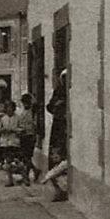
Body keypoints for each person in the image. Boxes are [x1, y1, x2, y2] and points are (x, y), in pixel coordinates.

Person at [45, 70, 70, 202]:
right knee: (55, 160)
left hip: (67, 128)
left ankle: (65, 190)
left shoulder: (72, 91)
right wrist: (57, 106)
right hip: (58, 128)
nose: (65, 81)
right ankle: (58, 191)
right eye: (63, 78)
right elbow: (49, 106)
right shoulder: (58, 92)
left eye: (67, 78)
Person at [0, 100, 23, 187]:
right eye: (7, 108)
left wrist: (14, 130)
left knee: (17, 161)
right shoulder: (3, 118)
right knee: (7, 162)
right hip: (5, 142)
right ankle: (10, 180)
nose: (9, 110)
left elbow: (22, 129)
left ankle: (23, 176)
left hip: (14, 142)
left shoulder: (18, 118)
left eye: (11, 108)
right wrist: (3, 130)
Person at [16, 93, 40, 185]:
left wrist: (32, 98)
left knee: (27, 157)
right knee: (25, 157)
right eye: (24, 102)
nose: (25, 104)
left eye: (27, 102)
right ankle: (34, 171)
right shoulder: (22, 112)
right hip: (23, 136)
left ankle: (26, 177)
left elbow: (36, 104)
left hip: (30, 135)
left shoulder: (33, 111)